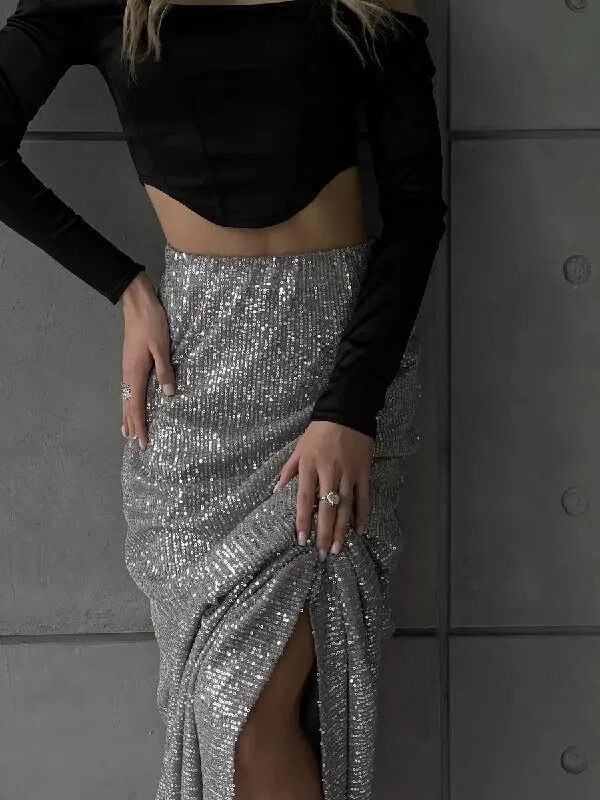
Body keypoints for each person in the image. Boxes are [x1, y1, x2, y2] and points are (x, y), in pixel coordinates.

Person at [0, 0, 447, 797]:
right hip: (196, 381)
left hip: (338, 372)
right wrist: (126, 287)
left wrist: (349, 408)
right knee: (218, 718)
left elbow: (415, 208)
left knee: (246, 724)